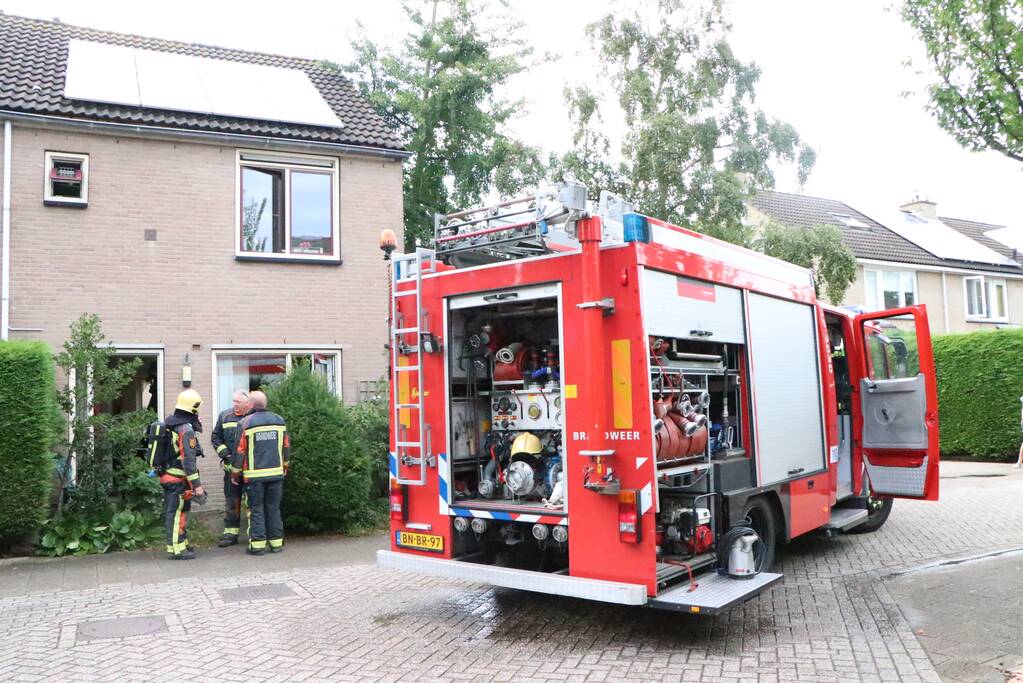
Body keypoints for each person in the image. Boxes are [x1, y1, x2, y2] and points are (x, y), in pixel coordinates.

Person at [233, 391, 290, 555]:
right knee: (273, 508)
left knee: (256, 508)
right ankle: (276, 543)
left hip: (254, 477)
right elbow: (286, 446)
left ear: (250, 405)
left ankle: (257, 545)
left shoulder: (245, 423)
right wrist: (285, 466)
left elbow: (239, 451)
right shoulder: (279, 420)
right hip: (276, 474)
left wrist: (235, 473)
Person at [162, 389, 206, 560]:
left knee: (181, 512)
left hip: (171, 476)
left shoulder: (172, 423)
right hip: (177, 478)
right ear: (193, 409)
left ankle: (181, 543)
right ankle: (176, 549)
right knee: (175, 514)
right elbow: (189, 460)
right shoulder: (185, 429)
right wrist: (197, 486)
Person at [211, 390, 252, 547]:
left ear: (247, 404)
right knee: (231, 501)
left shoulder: (252, 418)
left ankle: (254, 534)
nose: (234, 404)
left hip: (249, 470)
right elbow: (216, 438)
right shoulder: (225, 416)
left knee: (252, 502)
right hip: (230, 470)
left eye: (238, 402)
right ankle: (230, 533)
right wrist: (226, 454)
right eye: (233, 401)